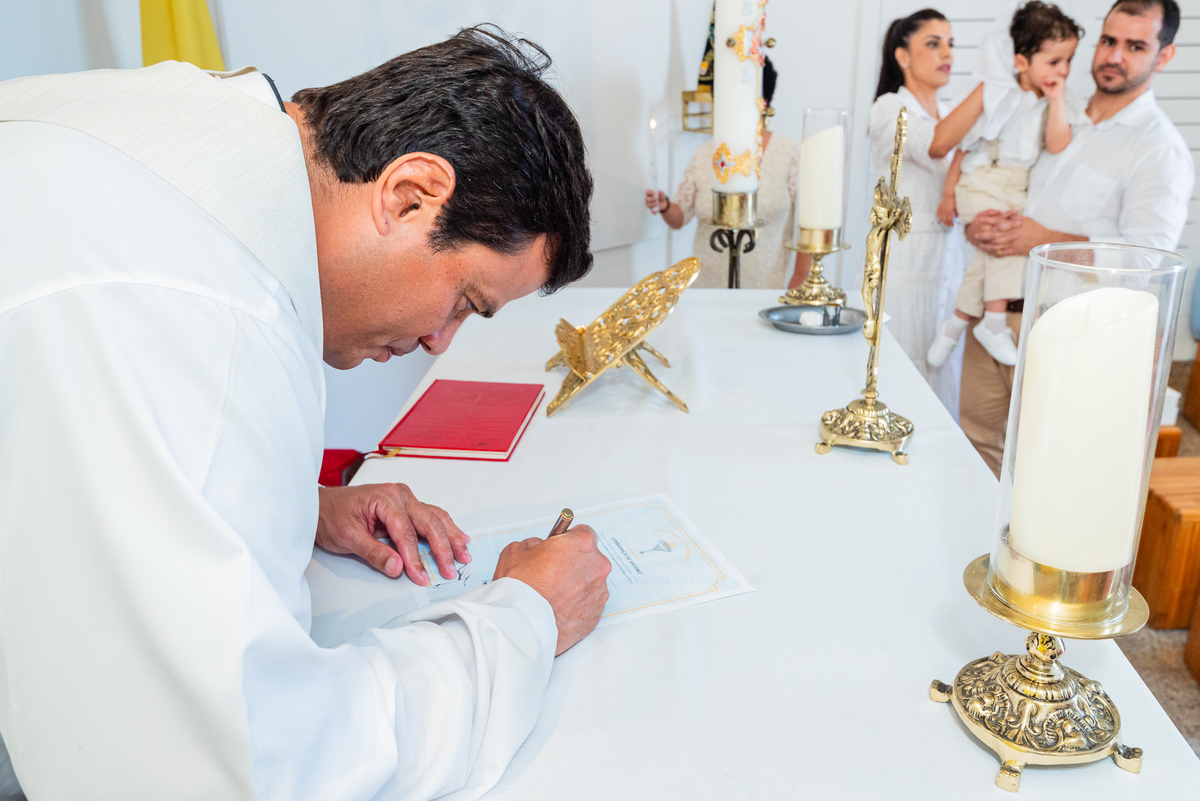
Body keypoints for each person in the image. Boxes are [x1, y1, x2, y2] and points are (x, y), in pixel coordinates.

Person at [0, 28, 612, 801]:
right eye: (464, 301)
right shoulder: (193, 315)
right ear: (409, 193)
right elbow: (253, 764)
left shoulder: (180, 128)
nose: (437, 340)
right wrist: (525, 618)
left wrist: (300, 503)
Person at [960, 0, 1193, 476]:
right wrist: (975, 224)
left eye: (1135, 46)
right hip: (996, 314)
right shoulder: (1052, 109)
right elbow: (997, 172)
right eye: (1109, 40)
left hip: (1069, 334)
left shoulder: (1158, 148)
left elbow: (1146, 260)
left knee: (1041, 472)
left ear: (1163, 56)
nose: (1114, 56)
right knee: (972, 450)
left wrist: (1043, 240)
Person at [928, 2, 1084, 368]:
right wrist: (949, 193)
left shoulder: (1053, 102)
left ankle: (955, 324)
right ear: (1021, 62)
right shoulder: (998, 95)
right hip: (983, 181)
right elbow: (962, 149)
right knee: (1006, 242)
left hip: (1014, 188)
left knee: (993, 250)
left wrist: (1056, 98)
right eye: (1053, 62)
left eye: (1068, 61)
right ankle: (994, 323)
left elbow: (1059, 143)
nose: (1062, 71)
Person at [868, 9, 985, 414]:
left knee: (945, 376)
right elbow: (936, 144)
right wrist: (990, 86)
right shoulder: (888, 108)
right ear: (903, 55)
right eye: (933, 44)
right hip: (903, 264)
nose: (946, 53)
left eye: (950, 44)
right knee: (901, 372)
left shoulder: (952, 110)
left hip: (950, 264)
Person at [644, 57, 808, 289]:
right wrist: (665, 206)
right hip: (707, 291)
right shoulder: (705, 154)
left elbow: (808, 223)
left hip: (764, 290)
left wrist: (799, 278)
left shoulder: (788, 154)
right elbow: (680, 217)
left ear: (764, 98)